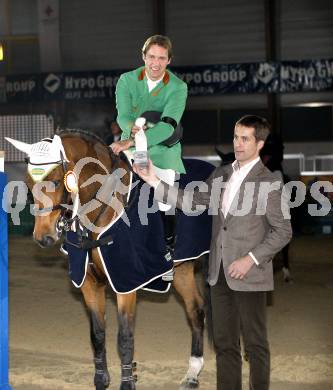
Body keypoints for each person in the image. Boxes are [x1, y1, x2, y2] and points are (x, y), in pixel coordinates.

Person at [133, 115, 292, 389]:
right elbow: (191, 201)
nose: (238, 144)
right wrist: (153, 180)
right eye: (235, 137)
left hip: (250, 275)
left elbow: (283, 232)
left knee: (255, 345)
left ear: (260, 143)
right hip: (218, 274)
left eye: (245, 139)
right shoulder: (221, 175)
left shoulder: (270, 182)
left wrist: (251, 259)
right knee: (225, 346)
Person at [111, 34, 188, 281]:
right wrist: (131, 129)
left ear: (169, 60)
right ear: (143, 56)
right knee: (97, 178)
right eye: (151, 57)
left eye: (161, 58)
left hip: (163, 150)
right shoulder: (126, 80)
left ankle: (168, 251)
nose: (156, 63)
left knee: (165, 200)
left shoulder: (178, 87)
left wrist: (134, 139)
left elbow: (168, 127)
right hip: (129, 147)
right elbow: (122, 116)